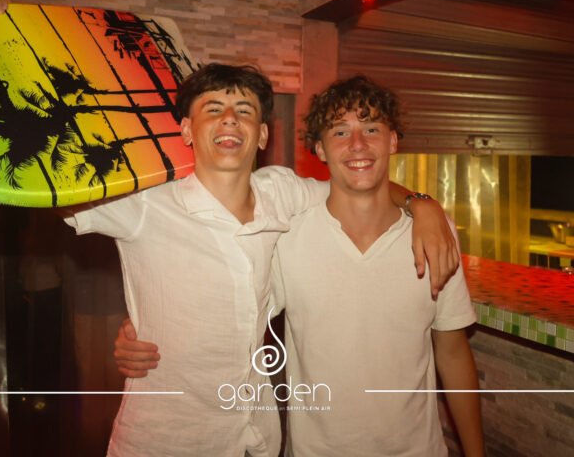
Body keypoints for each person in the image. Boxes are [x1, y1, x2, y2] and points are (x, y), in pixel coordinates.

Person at [0, 0, 461, 456]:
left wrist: (422, 204)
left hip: (256, 437)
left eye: (244, 110)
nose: (230, 118)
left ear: (262, 134)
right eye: (213, 109)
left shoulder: (283, 191)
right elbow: (40, 178)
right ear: (187, 130)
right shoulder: (143, 200)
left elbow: (360, 183)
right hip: (165, 440)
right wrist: (0, 40)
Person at [119, 76, 484, 456]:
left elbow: (453, 352)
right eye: (340, 132)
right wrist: (146, 325)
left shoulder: (436, 236)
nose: (358, 144)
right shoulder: (287, 233)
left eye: (371, 128)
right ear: (320, 149)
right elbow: (229, 312)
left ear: (393, 141)